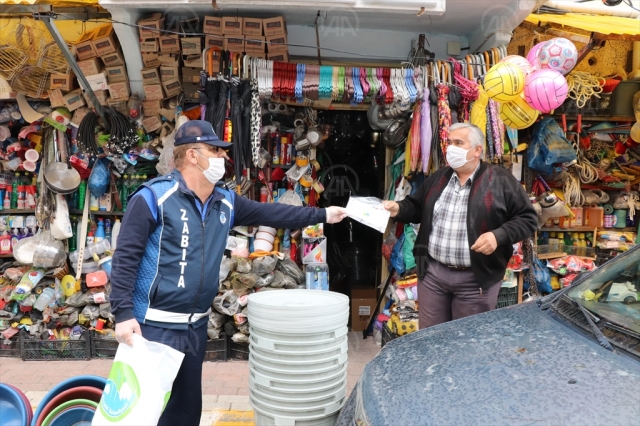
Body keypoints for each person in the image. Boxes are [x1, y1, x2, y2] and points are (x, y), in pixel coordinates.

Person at [110, 120, 348, 426]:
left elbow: (271, 212)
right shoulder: (153, 198)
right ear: (193, 155)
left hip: (194, 328)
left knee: (184, 413)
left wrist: (323, 214)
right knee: (141, 413)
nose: (223, 158)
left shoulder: (225, 200)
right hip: (153, 327)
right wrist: (123, 314)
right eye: (215, 150)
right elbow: (126, 257)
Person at [382, 122, 537, 329]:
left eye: (458, 142)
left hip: (476, 279)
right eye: (449, 142)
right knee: (431, 337)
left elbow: (528, 219)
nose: (450, 148)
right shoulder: (439, 178)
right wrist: (398, 208)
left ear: (477, 150)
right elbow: (417, 207)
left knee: (466, 341)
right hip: (433, 276)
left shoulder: (500, 181)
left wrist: (498, 236)